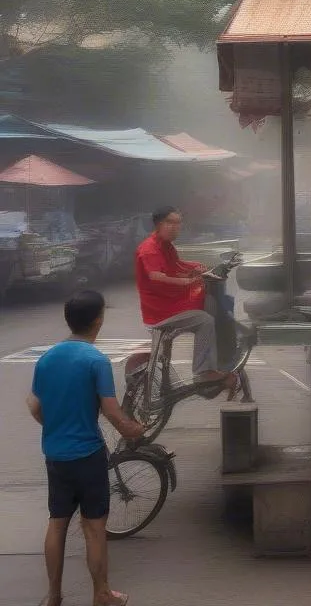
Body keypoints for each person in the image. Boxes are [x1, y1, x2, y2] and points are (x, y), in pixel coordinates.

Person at [27, 290, 146, 606]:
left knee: (57, 523)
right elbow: (111, 410)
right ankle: (102, 595)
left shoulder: (47, 358)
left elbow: (34, 405)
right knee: (94, 528)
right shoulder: (96, 360)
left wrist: (55, 428)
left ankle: (53, 597)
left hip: (55, 455)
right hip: (88, 456)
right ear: (98, 320)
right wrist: (133, 430)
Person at [134, 207, 234, 388]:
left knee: (206, 300)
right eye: (169, 223)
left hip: (169, 303)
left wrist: (196, 267)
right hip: (161, 311)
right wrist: (188, 282)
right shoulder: (150, 249)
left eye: (178, 223)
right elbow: (156, 276)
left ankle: (215, 358)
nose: (175, 227)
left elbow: (177, 265)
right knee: (205, 320)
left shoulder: (166, 246)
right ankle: (203, 371)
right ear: (158, 225)